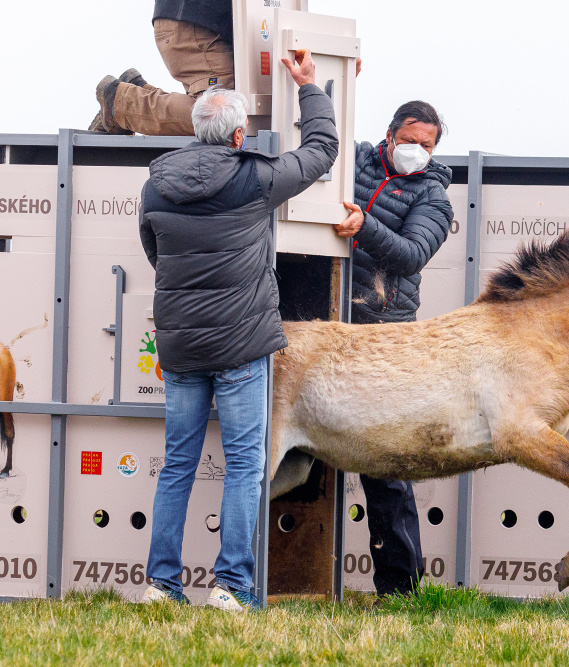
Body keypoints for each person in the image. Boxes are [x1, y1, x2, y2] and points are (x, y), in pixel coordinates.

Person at [137, 50, 338, 611]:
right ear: (238, 135)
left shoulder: (156, 185)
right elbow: (322, 151)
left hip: (180, 345)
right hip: (242, 346)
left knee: (178, 461)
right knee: (247, 463)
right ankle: (231, 587)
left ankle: (160, 584)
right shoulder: (254, 179)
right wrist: (309, 88)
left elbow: (155, 251)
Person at [334, 101, 454, 596]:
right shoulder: (356, 161)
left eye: (427, 145)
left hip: (384, 334)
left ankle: (401, 588)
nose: (417, 151)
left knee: (384, 464)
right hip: (327, 322)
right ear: (388, 135)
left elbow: (410, 254)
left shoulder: (434, 198)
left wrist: (365, 226)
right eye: (411, 140)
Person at [90, 1, 235, 136]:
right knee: (225, 116)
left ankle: (139, 93)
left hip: (191, 18)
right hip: (199, 22)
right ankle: (123, 103)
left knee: (228, 113)